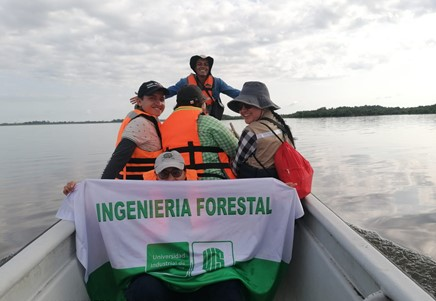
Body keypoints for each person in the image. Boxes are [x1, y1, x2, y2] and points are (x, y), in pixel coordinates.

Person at [63, 80, 168, 195]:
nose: (158, 103)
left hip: (145, 191)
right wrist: (98, 189)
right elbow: (119, 158)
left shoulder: (152, 120)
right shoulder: (140, 123)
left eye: (161, 99)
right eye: (152, 98)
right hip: (134, 193)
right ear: (139, 101)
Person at [160, 85, 238, 180]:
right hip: (213, 184)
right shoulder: (210, 122)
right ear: (202, 104)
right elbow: (235, 150)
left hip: (179, 184)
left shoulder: (164, 126)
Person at [131, 55, 240, 120]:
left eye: (206, 64)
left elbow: (234, 93)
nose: (203, 66)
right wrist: (145, 96)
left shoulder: (217, 82)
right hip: (191, 116)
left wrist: (251, 96)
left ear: (209, 67)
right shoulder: (185, 81)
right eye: (199, 64)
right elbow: (169, 92)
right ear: (195, 67)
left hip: (211, 116)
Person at [227, 81, 296, 180]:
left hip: (257, 185)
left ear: (262, 106)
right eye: (240, 106)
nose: (242, 110)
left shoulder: (251, 131)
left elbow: (236, 167)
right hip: (279, 179)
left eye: (247, 105)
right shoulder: (280, 124)